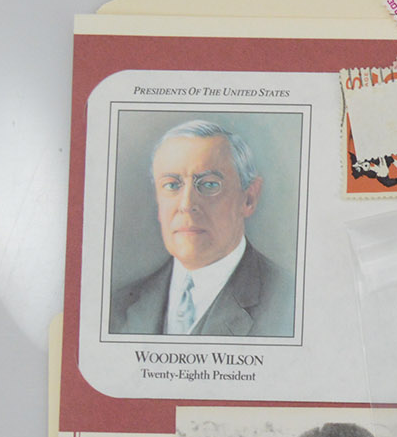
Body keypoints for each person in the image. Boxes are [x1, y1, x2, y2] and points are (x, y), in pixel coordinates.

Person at [110, 120, 295, 337]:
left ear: (249, 199)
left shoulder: (290, 301)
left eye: (209, 184)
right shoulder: (118, 306)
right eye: (172, 185)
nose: (186, 204)